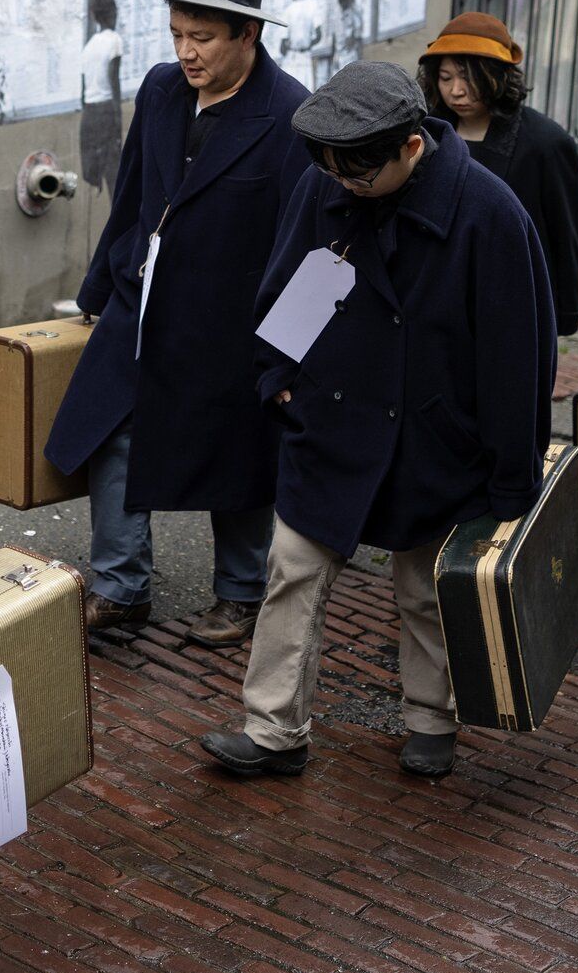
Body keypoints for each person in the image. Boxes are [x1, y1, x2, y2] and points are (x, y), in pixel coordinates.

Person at [200, 63, 555, 781]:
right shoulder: (326, 181)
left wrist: (511, 480)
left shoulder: (490, 214)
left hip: (433, 437)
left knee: (424, 590)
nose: (342, 185)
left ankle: (431, 719)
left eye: (359, 173)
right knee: (292, 570)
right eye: (331, 170)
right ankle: (273, 729)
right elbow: (288, 285)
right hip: (328, 419)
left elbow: (519, 357)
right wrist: (277, 379)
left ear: (412, 147)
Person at [45, 0, 312, 648]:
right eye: (176, 35)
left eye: (201, 38)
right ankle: (121, 588)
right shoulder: (163, 90)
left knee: (240, 453)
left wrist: (289, 351)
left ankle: (241, 593)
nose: (186, 52)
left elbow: (315, 242)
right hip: (145, 301)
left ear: (246, 35)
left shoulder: (290, 115)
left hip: (235, 322)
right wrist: (100, 286)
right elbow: (133, 192)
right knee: (111, 430)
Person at [419, 13, 578, 335]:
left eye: (469, 78)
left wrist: (566, 314)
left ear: (497, 76)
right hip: (439, 306)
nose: (456, 91)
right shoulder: (427, 133)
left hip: (511, 308)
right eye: (445, 77)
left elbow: (566, 236)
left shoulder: (545, 143)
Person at [79, 0, 126, 193]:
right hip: (106, 112)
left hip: (89, 116)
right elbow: (114, 82)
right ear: (112, 14)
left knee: (100, 177)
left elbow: (83, 95)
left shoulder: (88, 46)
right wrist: (118, 123)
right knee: (116, 179)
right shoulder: (114, 40)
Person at [279, 0, 325, 90]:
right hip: (305, 56)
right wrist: (309, 44)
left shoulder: (288, 10)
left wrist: (287, 47)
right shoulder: (313, 5)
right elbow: (319, 35)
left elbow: (283, 46)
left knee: (288, 92)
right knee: (305, 92)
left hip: (291, 57)